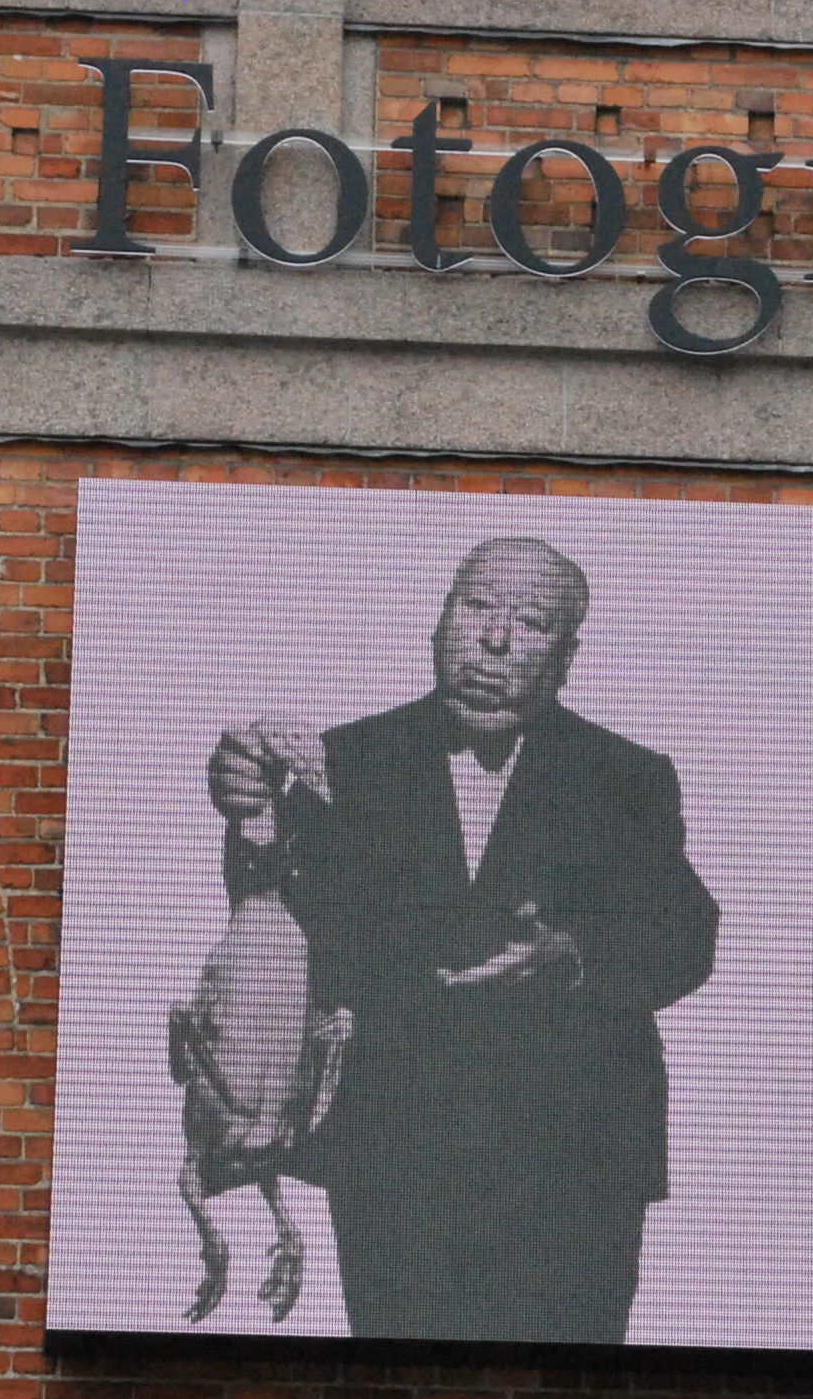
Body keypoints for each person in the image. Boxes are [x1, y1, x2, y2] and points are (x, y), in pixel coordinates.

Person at [205, 537, 719, 1343]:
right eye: (476, 606)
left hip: (575, 1162)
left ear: (565, 654)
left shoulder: (626, 778)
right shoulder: (344, 760)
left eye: (532, 621)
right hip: (396, 1152)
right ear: (441, 617)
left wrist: (572, 955)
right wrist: (253, 820)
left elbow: (686, 933)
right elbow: (281, 926)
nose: (495, 639)